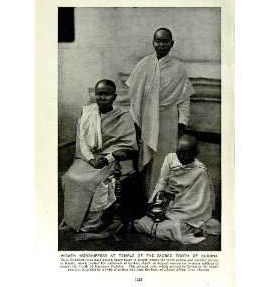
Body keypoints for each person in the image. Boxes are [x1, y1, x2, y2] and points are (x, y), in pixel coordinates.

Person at [59, 79, 137, 232]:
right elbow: (82, 140)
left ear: (114, 97)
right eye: (99, 94)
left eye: (107, 94)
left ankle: (90, 223)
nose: (102, 98)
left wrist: (108, 158)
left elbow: (128, 145)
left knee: (92, 180)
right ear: (95, 96)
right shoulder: (88, 112)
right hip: (89, 156)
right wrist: (91, 159)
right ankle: (72, 220)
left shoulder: (123, 116)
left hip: (111, 157)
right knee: (69, 178)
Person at [126, 27, 195, 199]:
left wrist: (182, 124)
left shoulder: (179, 68)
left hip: (168, 121)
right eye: (158, 41)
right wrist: (135, 122)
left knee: (164, 160)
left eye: (165, 41)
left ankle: (159, 200)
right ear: (153, 42)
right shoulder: (143, 65)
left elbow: (184, 100)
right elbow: (134, 96)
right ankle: (146, 200)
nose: (162, 44)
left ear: (172, 44)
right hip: (146, 120)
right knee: (146, 161)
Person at [134, 135, 220, 244]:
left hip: (185, 214)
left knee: (174, 227)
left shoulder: (200, 171)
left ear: (194, 153)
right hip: (166, 206)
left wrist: (171, 212)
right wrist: (154, 202)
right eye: (178, 152)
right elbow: (162, 182)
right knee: (140, 223)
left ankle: (176, 228)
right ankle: (165, 227)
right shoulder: (170, 158)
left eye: (185, 153)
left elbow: (199, 203)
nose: (180, 156)